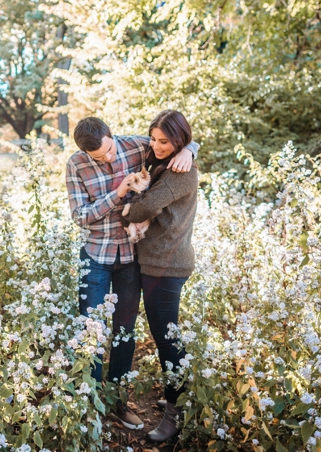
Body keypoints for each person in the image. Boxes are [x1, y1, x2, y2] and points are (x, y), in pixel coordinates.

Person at [65, 117, 199, 430]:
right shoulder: (76, 165)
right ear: (86, 154)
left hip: (129, 259)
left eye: (110, 150)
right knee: (91, 332)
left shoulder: (136, 145)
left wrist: (190, 150)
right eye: (100, 158)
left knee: (125, 332)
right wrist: (118, 193)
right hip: (96, 256)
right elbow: (80, 216)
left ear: (113, 136)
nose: (109, 158)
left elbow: (172, 140)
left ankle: (116, 401)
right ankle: (90, 407)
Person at [122, 109, 199, 443]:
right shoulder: (166, 161)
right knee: (164, 336)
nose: (157, 145)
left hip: (166, 266)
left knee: (168, 340)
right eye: (153, 139)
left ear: (179, 139)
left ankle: (176, 412)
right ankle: (177, 398)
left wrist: (128, 199)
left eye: (165, 141)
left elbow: (141, 209)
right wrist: (189, 147)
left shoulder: (180, 173)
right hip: (154, 261)